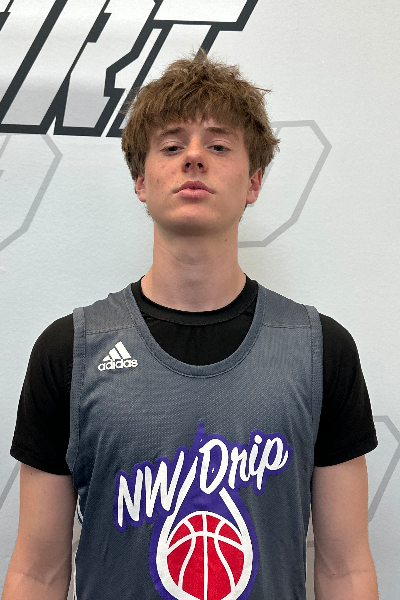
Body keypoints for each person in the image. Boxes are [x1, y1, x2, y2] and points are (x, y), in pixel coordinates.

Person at [3, 55, 379, 600]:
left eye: (219, 146)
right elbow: (36, 573)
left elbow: (345, 570)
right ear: (141, 180)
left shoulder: (321, 350)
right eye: (172, 145)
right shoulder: (69, 352)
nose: (194, 157)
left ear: (253, 182)